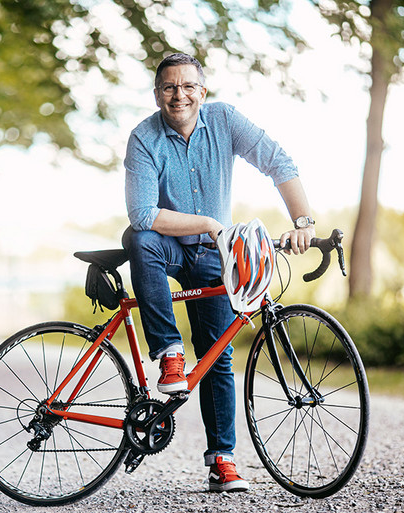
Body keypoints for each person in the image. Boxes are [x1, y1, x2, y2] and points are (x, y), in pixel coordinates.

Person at [123, 53, 316, 493]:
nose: (179, 95)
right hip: (168, 247)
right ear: (157, 95)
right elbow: (142, 214)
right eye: (169, 87)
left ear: (202, 91)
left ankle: (222, 462)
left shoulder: (225, 120)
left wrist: (303, 222)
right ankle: (169, 353)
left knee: (218, 357)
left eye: (188, 86)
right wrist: (211, 224)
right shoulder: (143, 137)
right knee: (139, 239)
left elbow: (277, 162)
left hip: (213, 256)